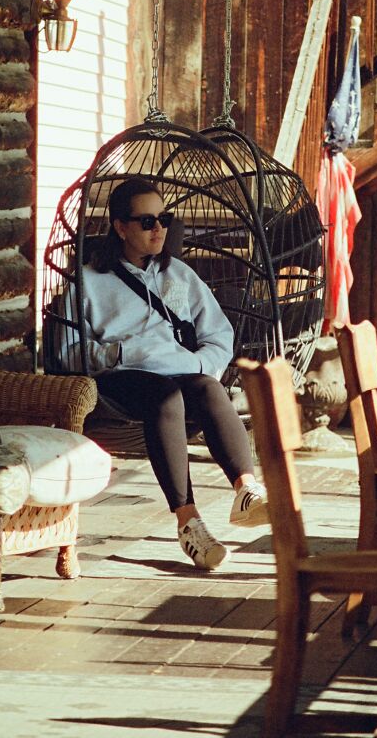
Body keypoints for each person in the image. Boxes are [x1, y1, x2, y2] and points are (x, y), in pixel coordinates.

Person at [63, 177, 268, 571]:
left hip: (180, 371)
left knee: (208, 388)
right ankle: (188, 522)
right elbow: (68, 352)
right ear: (120, 227)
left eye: (164, 219)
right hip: (121, 379)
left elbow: (218, 335)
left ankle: (246, 490)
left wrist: (200, 365)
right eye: (146, 221)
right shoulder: (90, 282)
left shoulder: (179, 277)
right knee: (164, 395)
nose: (159, 229)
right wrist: (121, 351)